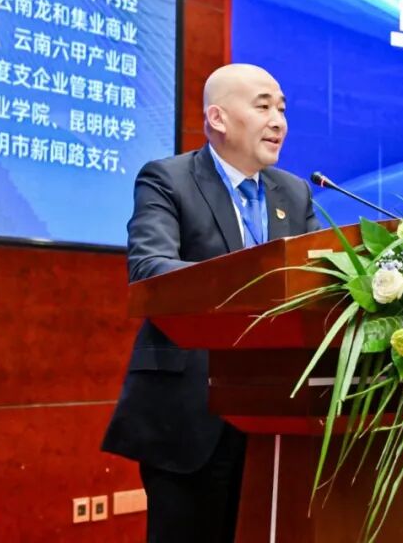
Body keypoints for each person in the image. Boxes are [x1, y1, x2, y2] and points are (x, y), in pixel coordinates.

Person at [102, 64, 318, 542]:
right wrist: (254, 281)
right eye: (263, 106)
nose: (278, 121)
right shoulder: (168, 179)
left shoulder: (294, 191)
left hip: (276, 413)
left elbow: (315, 283)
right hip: (189, 412)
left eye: (282, 109)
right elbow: (150, 269)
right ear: (218, 118)